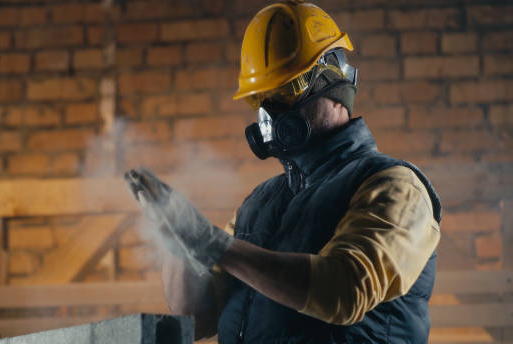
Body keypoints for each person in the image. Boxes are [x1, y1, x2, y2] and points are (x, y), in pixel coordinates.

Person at [125, 1, 441, 343]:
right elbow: (199, 318)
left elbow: (346, 291)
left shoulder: (394, 187)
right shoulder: (259, 203)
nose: (272, 113)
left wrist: (215, 244)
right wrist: (177, 241)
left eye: (286, 92)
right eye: (263, 98)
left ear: (335, 84)